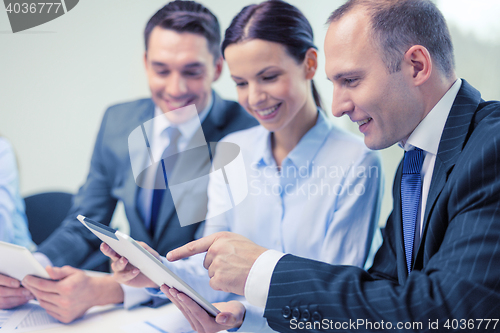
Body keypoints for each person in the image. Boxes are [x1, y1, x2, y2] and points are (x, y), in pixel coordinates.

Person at [163, 0, 500, 332]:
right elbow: (383, 287)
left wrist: (263, 269)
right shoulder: (415, 162)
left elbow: (448, 310)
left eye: (350, 80)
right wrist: (245, 313)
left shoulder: (491, 147)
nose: (336, 106)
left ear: (416, 65)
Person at [103, 1, 383, 332]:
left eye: (268, 77)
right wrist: (154, 269)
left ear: (309, 64)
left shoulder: (356, 162)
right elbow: (210, 271)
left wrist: (245, 314)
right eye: (241, 82)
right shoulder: (232, 152)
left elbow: (335, 297)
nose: (254, 97)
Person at [0, 0, 258, 323]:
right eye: (161, 70)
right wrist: (32, 272)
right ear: (146, 63)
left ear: (218, 68)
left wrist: (107, 289)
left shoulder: (250, 133)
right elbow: (83, 225)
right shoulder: (118, 122)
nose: (175, 88)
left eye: (192, 72)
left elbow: (228, 261)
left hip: (203, 311)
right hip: (126, 315)